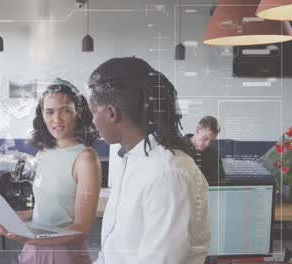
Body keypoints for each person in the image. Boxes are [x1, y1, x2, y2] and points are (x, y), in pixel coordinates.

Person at [86, 57, 211, 263]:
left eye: (93, 112)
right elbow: (114, 250)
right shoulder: (133, 159)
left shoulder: (168, 174)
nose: (92, 121)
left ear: (111, 113)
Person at [0, 78, 102, 264]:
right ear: (42, 115)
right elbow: (52, 210)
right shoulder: (43, 152)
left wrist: (28, 238)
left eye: (65, 110)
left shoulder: (86, 158)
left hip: (64, 254)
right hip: (34, 249)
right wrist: (19, 216)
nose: (56, 119)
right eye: (49, 112)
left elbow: (80, 230)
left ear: (78, 111)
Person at [181, 116, 226, 184]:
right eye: (205, 138)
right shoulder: (178, 147)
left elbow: (220, 181)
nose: (207, 144)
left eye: (211, 141)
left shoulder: (213, 153)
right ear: (198, 129)